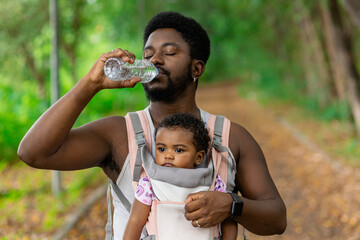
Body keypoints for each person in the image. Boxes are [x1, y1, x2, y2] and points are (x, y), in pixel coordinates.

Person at [18, 11, 286, 239]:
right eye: (149, 54)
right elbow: (33, 153)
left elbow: (277, 218)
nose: (155, 60)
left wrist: (232, 205)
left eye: (169, 52)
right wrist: (91, 85)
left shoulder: (230, 137)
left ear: (197, 68)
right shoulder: (118, 134)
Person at [123, 113, 237, 240]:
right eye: (161, 149)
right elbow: (135, 220)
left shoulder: (214, 182)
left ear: (198, 157)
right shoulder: (150, 182)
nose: (168, 156)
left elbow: (227, 219)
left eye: (178, 150)